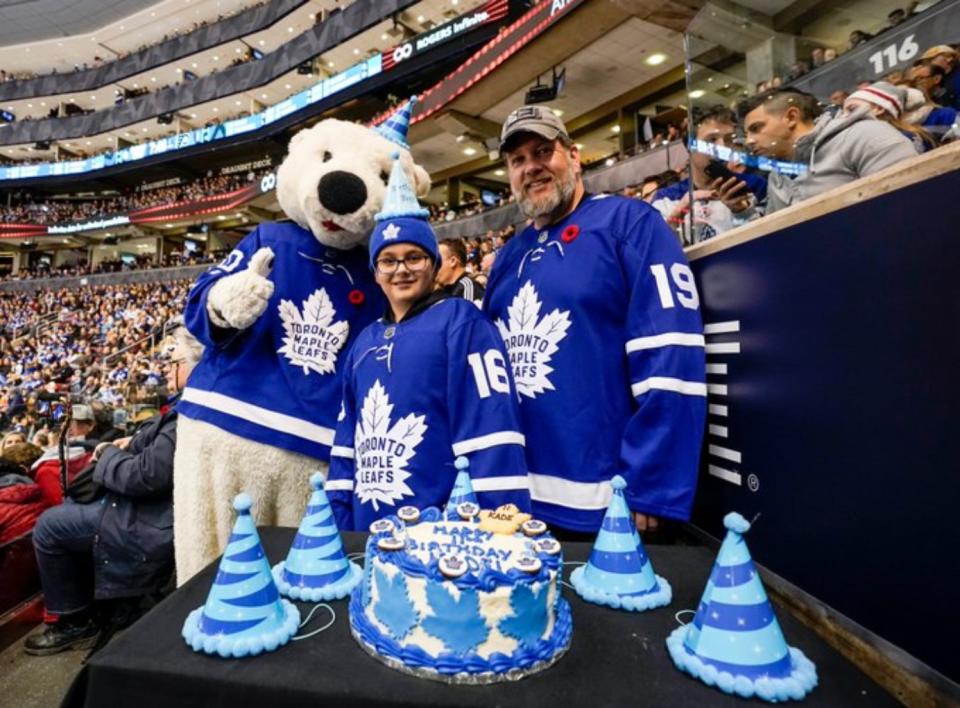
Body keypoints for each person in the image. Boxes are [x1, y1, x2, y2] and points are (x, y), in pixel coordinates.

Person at [484, 105, 706, 536]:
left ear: (574, 155)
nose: (531, 168)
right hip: (518, 499)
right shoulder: (507, 257)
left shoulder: (629, 224)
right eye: (518, 160)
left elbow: (671, 356)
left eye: (543, 151)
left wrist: (653, 480)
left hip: (608, 498)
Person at [327, 158, 529, 531]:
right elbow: (346, 444)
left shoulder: (462, 322)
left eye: (413, 257)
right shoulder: (363, 343)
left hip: (441, 539)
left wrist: (495, 526)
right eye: (388, 261)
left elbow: (493, 428)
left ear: (434, 265)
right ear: (375, 273)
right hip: (365, 532)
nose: (401, 269)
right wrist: (338, 523)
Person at [23, 326, 199, 656]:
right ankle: (98, 602)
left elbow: (144, 477)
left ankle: (73, 620)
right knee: (73, 502)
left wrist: (108, 454)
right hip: (155, 511)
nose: (166, 366)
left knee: (49, 526)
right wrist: (131, 443)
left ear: (195, 365)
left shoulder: (189, 413)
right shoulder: (189, 407)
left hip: (153, 520)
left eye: (173, 360)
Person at [739, 88, 918, 213]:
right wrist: (742, 213)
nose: (749, 141)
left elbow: (909, 206)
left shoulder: (866, 136)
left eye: (756, 128)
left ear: (791, 117)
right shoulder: (776, 176)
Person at [652, 106, 766, 243]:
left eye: (729, 139)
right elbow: (658, 250)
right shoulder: (666, 198)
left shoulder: (754, 186)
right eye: (711, 140)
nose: (723, 147)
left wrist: (742, 213)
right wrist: (678, 213)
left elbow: (767, 243)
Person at [842, 82, 934, 152]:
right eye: (843, 112)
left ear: (878, 109)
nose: (844, 117)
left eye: (852, 109)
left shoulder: (900, 140)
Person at [434, 238, 485, 305]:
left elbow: (467, 314)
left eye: (438, 261)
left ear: (453, 261)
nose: (434, 267)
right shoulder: (447, 290)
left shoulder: (467, 287)